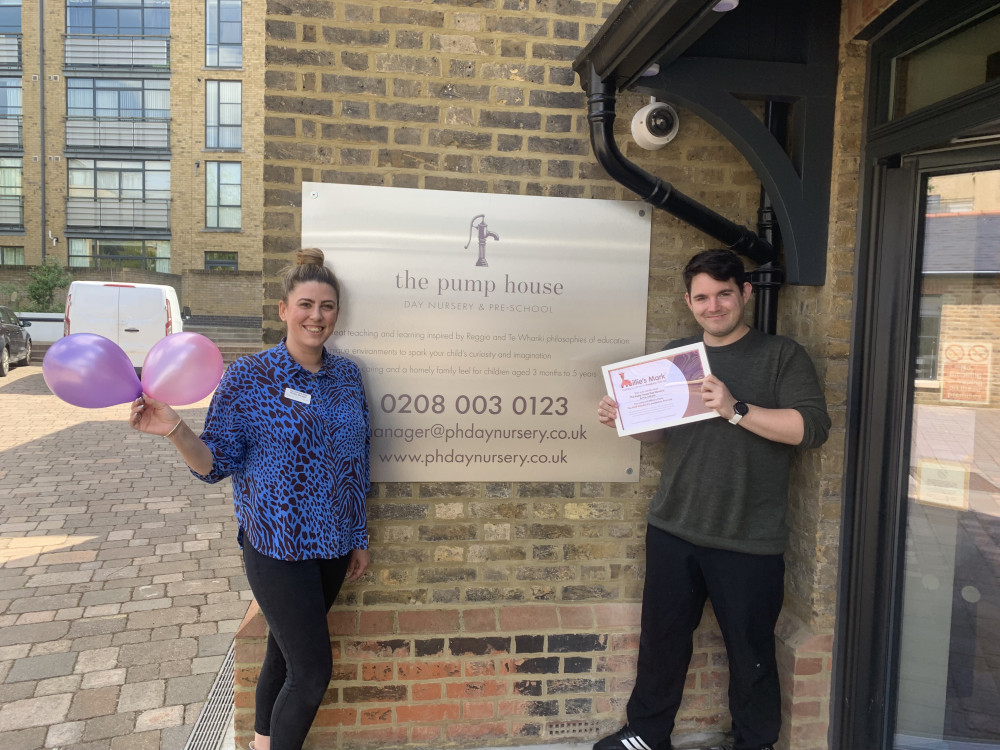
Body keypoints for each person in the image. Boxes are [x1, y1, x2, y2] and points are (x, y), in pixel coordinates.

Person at [129, 248, 371, 750]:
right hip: (276, 548)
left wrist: (358, 536)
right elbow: (214, 463)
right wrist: (175, 428)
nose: (316, 316)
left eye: (327, 307)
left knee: (283, 658)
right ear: (283, 309)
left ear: (337, 315)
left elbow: (355, 464)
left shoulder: (348, 378)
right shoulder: (248, 379)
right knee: (311, 672)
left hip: (331, 547)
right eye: (306, 304)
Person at [594, 249, 830, 750]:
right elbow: (659, 437)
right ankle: (646, 733)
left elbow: (811, 430)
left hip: (749, 537)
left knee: (752, 655)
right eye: (702, 297)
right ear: (689, 301)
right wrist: (628, 420)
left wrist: (735, 408)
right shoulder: (678, 357)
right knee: (662, 643)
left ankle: (754, 741)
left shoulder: (782, 356)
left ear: (745, 292)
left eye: (724, 293)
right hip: (674, 527)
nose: (714, 305)